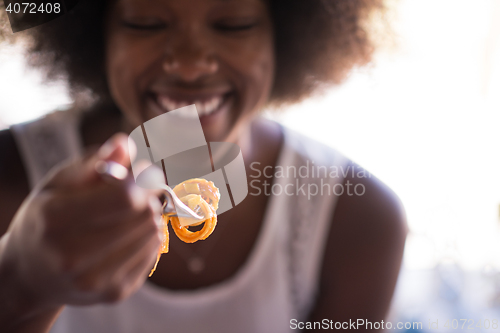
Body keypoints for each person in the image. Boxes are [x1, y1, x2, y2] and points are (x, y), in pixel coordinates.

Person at [0, 0, 407, 332]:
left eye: (233, 24)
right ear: (100, 34)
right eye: (147, 23)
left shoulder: (360, 219)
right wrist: (20, 283)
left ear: (281, 37)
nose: (191, 63)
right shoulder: (10, 175)